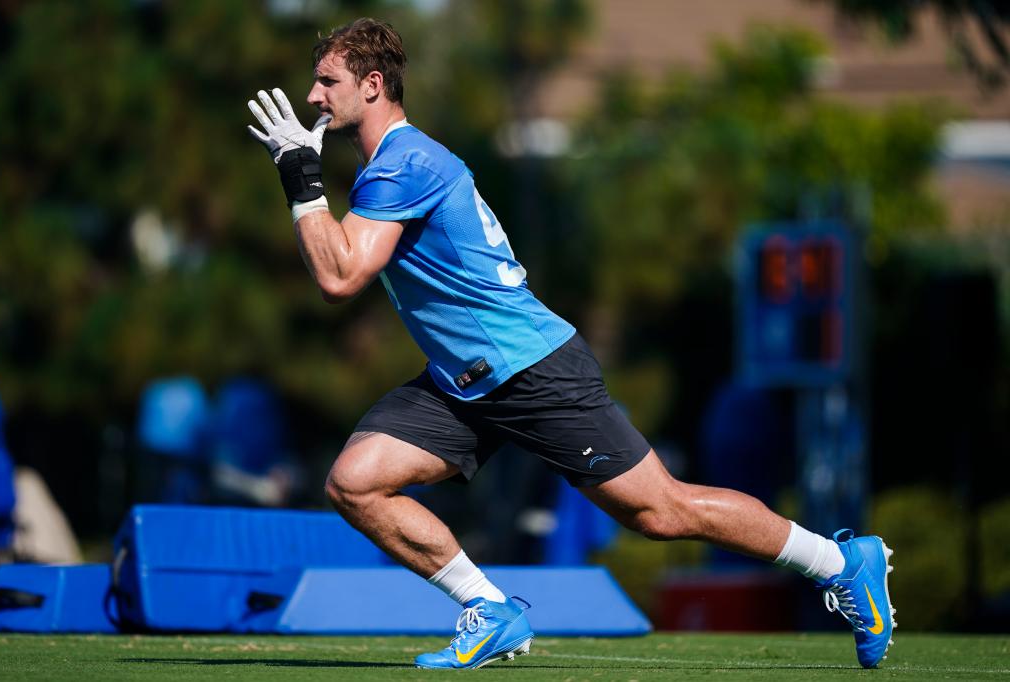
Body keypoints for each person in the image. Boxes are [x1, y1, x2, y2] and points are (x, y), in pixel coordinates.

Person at [246, 17, 895, 670]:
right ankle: (490, 611)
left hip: (531, 371)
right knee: (355, 483)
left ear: (374, 84)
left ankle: (843, 561)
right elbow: (344, 261)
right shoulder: (386, 168)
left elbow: (341, 275)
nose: (313, 97)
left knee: (662, 511)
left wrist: (301, 178)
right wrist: (301, 178)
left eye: (328, 81)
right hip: (462, 382)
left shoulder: (405, 163)